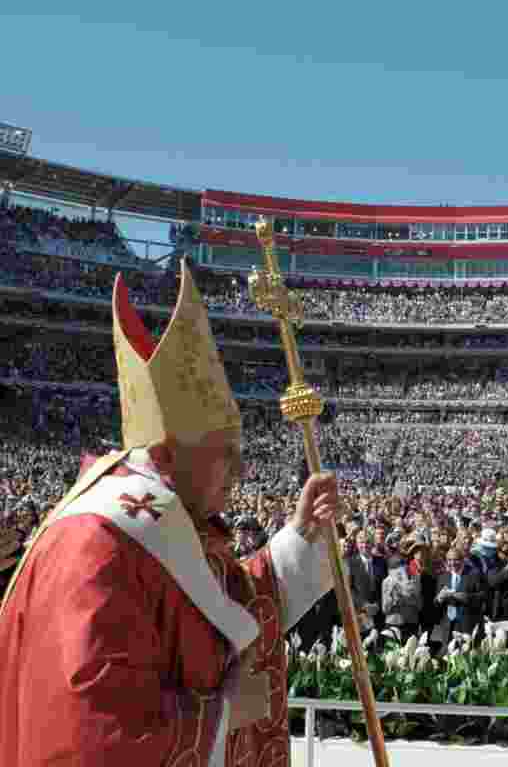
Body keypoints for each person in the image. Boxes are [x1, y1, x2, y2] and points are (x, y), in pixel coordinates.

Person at [0, 261, 340, 767]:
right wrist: (224, 715)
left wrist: (298, 539)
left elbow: (216, 612)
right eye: (227, 451)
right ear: (169, 450)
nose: (242, 470)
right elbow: (89, 729)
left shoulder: (164, 521)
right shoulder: (97, 543)